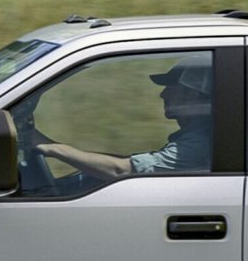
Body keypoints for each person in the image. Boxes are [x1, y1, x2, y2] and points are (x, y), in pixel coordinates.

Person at [30, 57, 214, 181]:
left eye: (173, 87)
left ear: (195, 95)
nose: (163, 94)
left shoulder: (197, 145)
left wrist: (51, 147)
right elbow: (135, 162)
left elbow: (122, 170)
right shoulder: (199, 137)